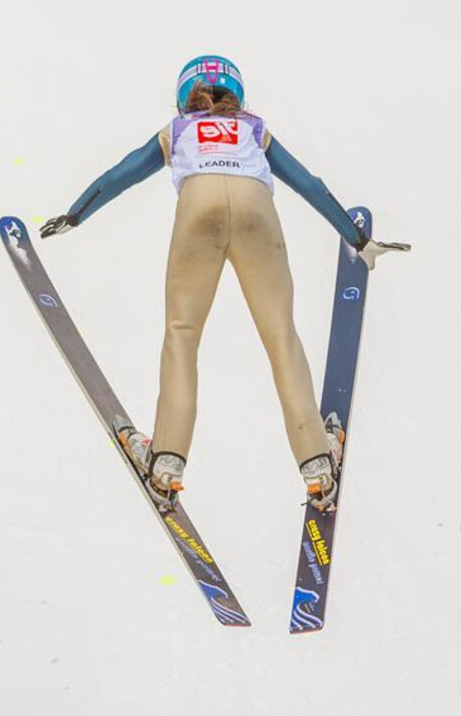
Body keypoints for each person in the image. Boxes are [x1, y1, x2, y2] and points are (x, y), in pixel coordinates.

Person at [40, 54, 409, 511]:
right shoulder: (254, 129)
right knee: (281, 338)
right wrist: (359, 240)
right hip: (258, 213)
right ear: (237, 94)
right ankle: (317, 463)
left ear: (183, 99)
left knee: (182, 334)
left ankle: (165, 466)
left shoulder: (176, 131)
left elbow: (120, 174)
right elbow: (310, 185)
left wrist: (75, 214)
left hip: (199, 209)